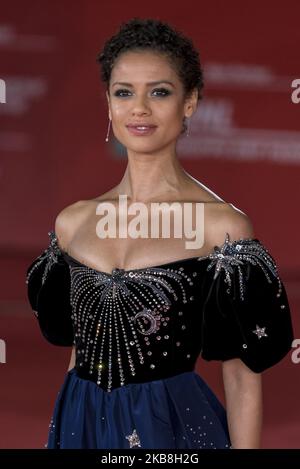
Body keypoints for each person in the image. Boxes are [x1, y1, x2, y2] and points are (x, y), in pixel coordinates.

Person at [26, 18, 294, 450]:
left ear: (190, 102)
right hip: (80, 425)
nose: (140, 109)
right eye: (124, 92)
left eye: (160, 92)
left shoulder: (220, 227)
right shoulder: (73, 223)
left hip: (171, 430)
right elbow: (78, 352)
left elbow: (242, 377)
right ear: (109, 105)